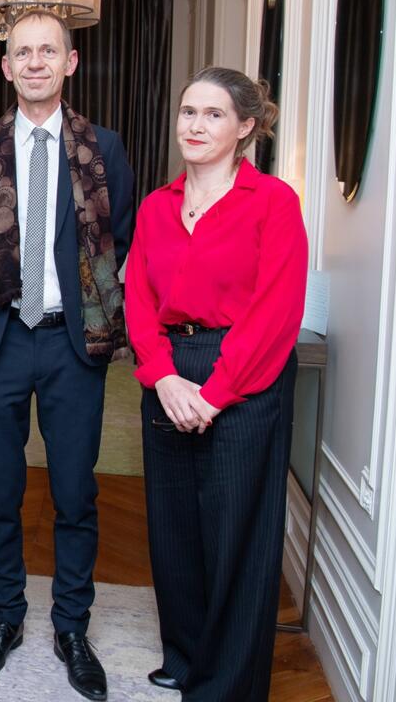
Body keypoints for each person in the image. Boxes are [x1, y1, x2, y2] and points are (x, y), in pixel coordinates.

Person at [0, 9, 133, 701]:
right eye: (21, 52)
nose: (33, 62)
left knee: (74, 493)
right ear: (6, 67)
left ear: (69, 63)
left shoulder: (104, 148)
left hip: (70, 341)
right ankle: (6, 618)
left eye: (46, 51)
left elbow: (125, 236)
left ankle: (72, 626)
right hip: (0, 340)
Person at [124, 66, 307, 700]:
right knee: (173, 528)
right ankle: (186, 654)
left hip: (243, 378)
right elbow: (139, 302)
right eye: (188, 112)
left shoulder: (273, 202)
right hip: (170, 371)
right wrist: (164, 378)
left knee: (236, 536)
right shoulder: (156, 205)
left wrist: (215, 392)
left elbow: (276, 311)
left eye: (213, 115)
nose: (195, 125)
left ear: (246, 127)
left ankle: (225, 684)